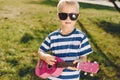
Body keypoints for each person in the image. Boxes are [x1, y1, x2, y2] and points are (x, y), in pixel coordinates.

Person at [38, 0, 93, 80]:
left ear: (78, 17)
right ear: (58, 16)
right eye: (63, 15)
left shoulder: (81, 37)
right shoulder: (52, 37)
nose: (68, 19)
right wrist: (45, 57)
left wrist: (80, 62)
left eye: (73, 16)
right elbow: (40, 51)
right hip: (52, 77)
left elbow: (83, 58)